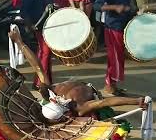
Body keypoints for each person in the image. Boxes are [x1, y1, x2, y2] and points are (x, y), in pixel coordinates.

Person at [8, 28, 148, 121]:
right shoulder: (78, 108)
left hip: (83, 89)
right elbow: (105, 102)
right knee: (99, 105)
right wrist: (135, 101)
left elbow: (37, 66)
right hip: (87, 90)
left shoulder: (49, 93)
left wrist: (19, 42)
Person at [93, 0, 138, 96]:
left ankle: (112, 86)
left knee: (118, 58)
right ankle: (109, 87)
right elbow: (96, 6)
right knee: (115, 58)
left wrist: (135, 11)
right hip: (113, 26)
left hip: (124, 26)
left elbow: (132, 6)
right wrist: (115, 7)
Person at [21, 0, 54, 90]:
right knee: (45, 52)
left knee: (44, 53)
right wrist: (30, 25)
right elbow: (24, 11)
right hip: (38, 25)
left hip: (48, 24)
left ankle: (42, 81)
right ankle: (41, 82)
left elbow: (49, 6)